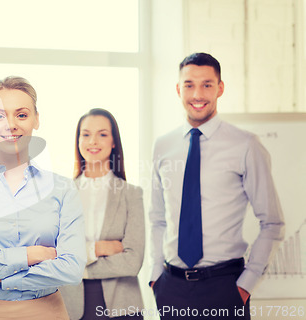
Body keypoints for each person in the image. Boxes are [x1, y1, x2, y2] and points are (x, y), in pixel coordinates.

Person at [149, 53, 285, 319]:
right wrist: (156, 277)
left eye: (207, 84)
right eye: (189, 85)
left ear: (220, 88)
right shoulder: (163, 146)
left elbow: (272, 222)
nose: (197, 94)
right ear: (178, 89)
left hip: (224, 287)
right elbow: (157, 218)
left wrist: (246, 285)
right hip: (171, 288)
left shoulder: (246, 145)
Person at [0, 76, 86, 320]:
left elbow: (71, 269)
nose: (11, 124)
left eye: (21, 115)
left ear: (36, 119)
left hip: (46, 312)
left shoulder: (62, 189)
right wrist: (32, 254)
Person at [60, 108, 145, 320]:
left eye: (103, 134)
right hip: (71, 305)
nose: (93, 141)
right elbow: (57, 254)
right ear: (78, 141)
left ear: (114, 141)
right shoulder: (61, 194)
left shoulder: (131, 194)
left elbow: (133, 261)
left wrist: (82, 267)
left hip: (123, 305)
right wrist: (99, 248)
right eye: (86, 134)